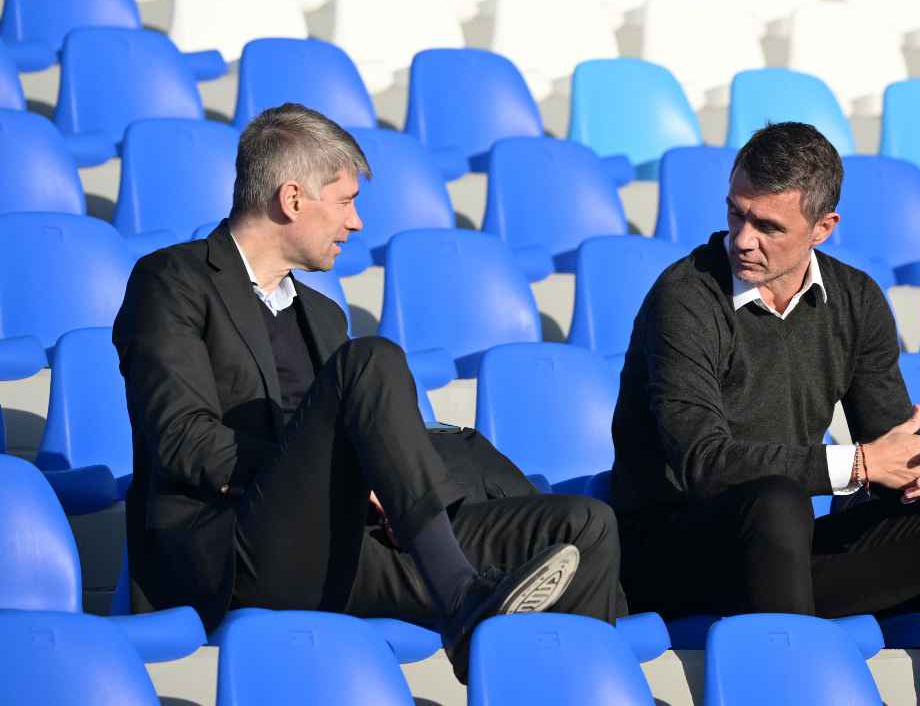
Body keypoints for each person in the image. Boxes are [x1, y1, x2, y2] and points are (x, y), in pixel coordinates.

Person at [114, 103, 626, 681]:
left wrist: (365, 478)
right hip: (240, 552)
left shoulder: (323, 314)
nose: (356, 223)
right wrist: (336, 475)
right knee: (373, 360)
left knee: (583, 526)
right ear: (292, 199)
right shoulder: (171, 281)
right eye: (346, 201)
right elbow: (182, 440)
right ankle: (459, 594)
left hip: (348, 545)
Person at [611, 122, 920, 621]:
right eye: (736, 213)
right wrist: (860, 464)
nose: (744, 240)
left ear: (823, 227)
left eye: (768, 227)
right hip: (675, 556)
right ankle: (793, 662)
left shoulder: (856, 298)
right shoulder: (685, 297)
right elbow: (703, 462)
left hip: (784, 551)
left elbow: (885, 446)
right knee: (778, 501)